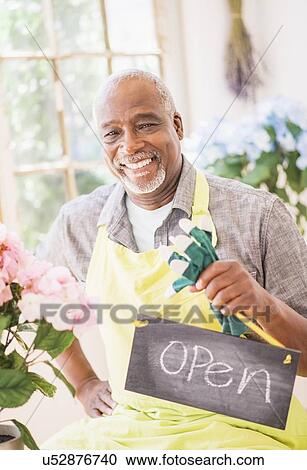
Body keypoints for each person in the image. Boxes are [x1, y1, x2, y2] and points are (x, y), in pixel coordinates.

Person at [39, 69, 307, 449]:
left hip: (245, 432)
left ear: (177, 126)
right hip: (132, 429)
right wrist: (83, 383)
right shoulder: (79, 222)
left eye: (145, 124)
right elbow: (42, 310)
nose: (130, 146)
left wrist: (261, 304)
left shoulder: (256, 214)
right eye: (112, 133)